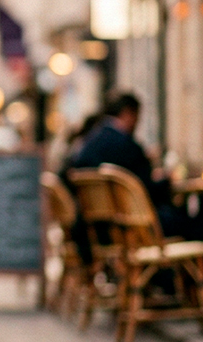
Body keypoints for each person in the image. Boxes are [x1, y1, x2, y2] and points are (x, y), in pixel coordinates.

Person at [72, 92, 198, 240]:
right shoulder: (126, 145)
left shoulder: (88, 144)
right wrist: (167, 180)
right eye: (137, 117)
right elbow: (147, 190)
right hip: (135, 228)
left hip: (96, 231)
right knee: (193, 223)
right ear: (128, 113)